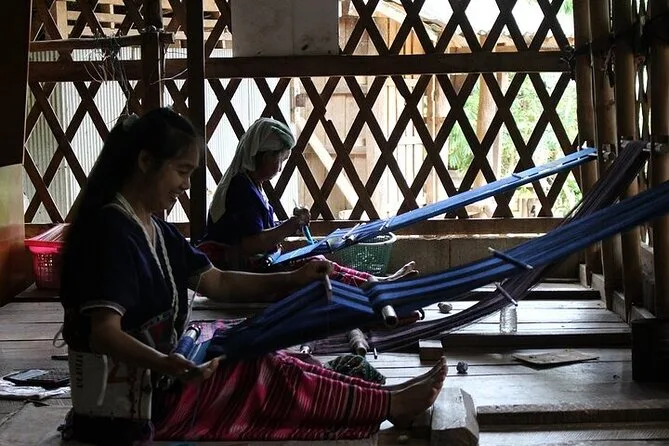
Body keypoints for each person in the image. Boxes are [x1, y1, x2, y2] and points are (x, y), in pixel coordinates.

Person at [58, 108, 446, 445]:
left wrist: (295, 280)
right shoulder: (110, 233)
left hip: (167, 374)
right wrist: (168, 365)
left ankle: (386, 399)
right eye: (182, 171)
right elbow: (103, 333)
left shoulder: (154, 230)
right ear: (145, 161)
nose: (187, 185)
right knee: (262, 375)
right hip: (135, 408)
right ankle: (388, 404)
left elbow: (217, 282)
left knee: (267, 357)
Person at [199, 117, 416, 286]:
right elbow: (251, 244)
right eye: (280, 159)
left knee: (318, 261)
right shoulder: (241, 189)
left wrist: (289, 224)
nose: (280, 167)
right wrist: (291, 225)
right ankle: (372, 284)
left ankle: (375, 281)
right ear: (265, 157)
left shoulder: (251, 185)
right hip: (242, 272)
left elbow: (256, 230)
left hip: (254, 264)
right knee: (316, 267)